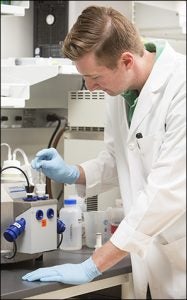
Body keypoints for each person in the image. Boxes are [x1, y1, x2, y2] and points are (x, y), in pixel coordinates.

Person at [22, 5, 186, 299]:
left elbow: (166, 193)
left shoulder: (181, 89)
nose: (89, 86)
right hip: (147, 256)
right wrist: (75, 172)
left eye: (95, 77)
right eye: (84, 77)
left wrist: (92, 265)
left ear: (125, 61)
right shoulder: (119, 91)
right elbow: (117, 159)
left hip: (180, 259)